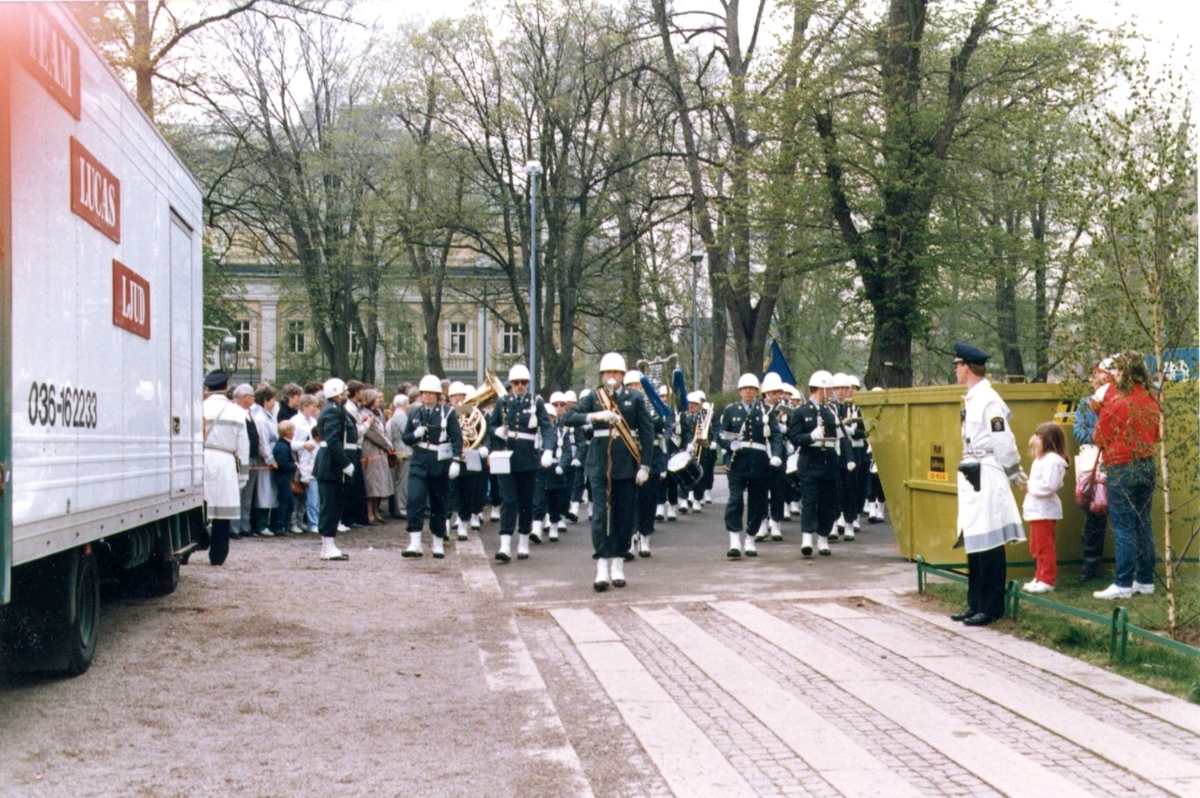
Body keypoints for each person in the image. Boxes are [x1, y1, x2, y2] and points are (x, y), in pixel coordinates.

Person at [950, 342, 1027, 627]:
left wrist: (1014, 470)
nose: (955, 370)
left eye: (957, 365)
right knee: (975, 539)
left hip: (987, 473)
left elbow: (1003, 440)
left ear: (966, 367)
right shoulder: (973, 398)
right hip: (973, 472)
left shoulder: (988, 400)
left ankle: (991, 606)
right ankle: (975, 602)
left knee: (990, 541)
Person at [563, 352, 654, 591]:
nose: (611, 376)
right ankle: (602, 566)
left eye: (615, 372)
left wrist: (645, 466)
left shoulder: (635, 398)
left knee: (624, 517)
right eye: (607, 373)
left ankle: (618, 564)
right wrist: (594, 416)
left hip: (626, 467)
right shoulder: (594, 397)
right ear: (602, 375)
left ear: (622, 375)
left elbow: (647, 433)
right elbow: (568, 417)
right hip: (599, 465)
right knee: (600, 517)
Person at [1091, 353, 1160, 600]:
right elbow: (1157, 433)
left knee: (1123, 527)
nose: (1116, 375)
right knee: (1144, 523)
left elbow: (1099, 437)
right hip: (1147, 463)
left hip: (1121, 465)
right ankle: (1145, 579)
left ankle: (1123, 583)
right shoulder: (1151, 399)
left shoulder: (1116, 403)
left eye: (1119, 371)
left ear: (1125, 373)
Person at [487, 364, 554, 561]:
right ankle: (505, 545)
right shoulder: (503, 402)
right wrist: (495, 431)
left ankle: (523, 541)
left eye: (523, 383)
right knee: (508, 500)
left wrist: (548, 449)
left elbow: (547, 428)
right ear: (511, 384)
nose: (519, 386)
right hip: (506, 457)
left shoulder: (536, 402)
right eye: (516, 383)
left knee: (526, 501)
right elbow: (490, 425)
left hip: (527, 459)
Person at [717, 373, 783, 559]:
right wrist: (729, 444)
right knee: (735, 500)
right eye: (745, 389)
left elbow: (776, 435)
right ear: (740, 391)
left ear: (756, 391)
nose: (748, 392)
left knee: (757, 502)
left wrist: (776, 455)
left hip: (759, 463)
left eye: (751, 389)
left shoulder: (766, 411)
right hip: (737, 461)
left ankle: (750, 539)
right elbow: (721, 434)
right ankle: (734, 540)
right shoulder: (731, 411)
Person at [402, 374, 463, 559]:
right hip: (419, 461)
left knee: (438, 503)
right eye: (424, 393)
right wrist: (415, 435)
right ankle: (415, 542)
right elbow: (406, 438)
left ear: (437, 395)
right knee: (415, 500)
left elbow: (457, 438)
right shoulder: (414, 412)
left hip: (439, 463)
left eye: (430, 393)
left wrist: (456, 460)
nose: (427, 396)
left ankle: (437, 541)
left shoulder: (448, 413)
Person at [787, 371, 844, 557]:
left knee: (828, 501)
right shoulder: (800, 412)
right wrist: (810, 437)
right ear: (821, 389)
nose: (831, 393)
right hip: (809, 461)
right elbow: (795, 437)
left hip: (828, 462)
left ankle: (823, 537)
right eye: (829, 390)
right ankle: (806, 537)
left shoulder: (830, 412)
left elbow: (839, 437)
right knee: (810, 500)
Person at [201, 371, 250, 565]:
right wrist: (243, 473)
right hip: (225, 460)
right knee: (223, 510)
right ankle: (218, 554)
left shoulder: (200, 407)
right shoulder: (236, 411)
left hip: (202, 457)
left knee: (200, 505)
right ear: (226, 387)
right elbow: (243, 444)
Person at [1073, 363, 1110, 581]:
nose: (1096, 380)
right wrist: (1099, 438)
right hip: (1093, 464)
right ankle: (1090, 566)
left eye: (1100, 375)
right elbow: (1078, 431)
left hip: (1113, 461)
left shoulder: (1115, 402)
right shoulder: (1085, 404)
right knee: (1093, 515)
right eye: (1094, 376)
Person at [1021, 422, 1069, 593]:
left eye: (1039, 436)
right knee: (1036, 546)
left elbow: (1050, 486)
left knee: (1044, 547)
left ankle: (1047, 579)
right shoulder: (1042, 459)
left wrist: (1029, 486)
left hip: (1044, 511)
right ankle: (1039, 576)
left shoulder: (1053, 461)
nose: (1035, 440)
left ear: (1048, 439)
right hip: (1036, 510)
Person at [313, 378, 355, 561]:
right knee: (330, 505)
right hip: (331, 464)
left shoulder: (335, 408)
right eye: (344, 391)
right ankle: (327, 546)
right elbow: (332, 440)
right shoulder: (332, 410)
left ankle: (329, 545)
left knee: (334, 504)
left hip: (332, 464)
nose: (347, 394)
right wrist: (345, 463)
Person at [360, 388, 393, 525]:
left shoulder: (377, 413)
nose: (379, 400)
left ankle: (376, 512)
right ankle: (369, 514)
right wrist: (388, 445)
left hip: (380, 450)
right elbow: (373, 434)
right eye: (376, 398)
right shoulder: (364, 414)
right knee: (372, 482)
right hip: (371, 450)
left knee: (378, 482)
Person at [250, 384, 280, 536]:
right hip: (265, 460)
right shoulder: (261, 419)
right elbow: (263, 443)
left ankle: (267, 522)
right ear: (266, 400)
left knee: (270, 490)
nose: (275, 402)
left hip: (273, 456)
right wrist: (270, 459)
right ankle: (261, 524)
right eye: (273, 399)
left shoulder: (270, 415)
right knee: (264, 491)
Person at [231, 383, 257, 538]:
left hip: (252, 457)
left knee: (248, 494)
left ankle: (244, 526)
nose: (254, 398)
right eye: (252, 396)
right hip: (241, 458)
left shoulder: (249, 413)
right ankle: (234, 528)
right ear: (245, 397)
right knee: (238, 493)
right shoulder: (235, 412)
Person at [293, 394, 321, 533]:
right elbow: (291, 443)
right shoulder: (295, 421)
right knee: (298, 494)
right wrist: (303, 445)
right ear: (304, 406)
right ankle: (294, 522)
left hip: (312, 461)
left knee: (307, 498)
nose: (315, 409)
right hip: (299, 460)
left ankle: (301, 520)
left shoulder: (313, 421)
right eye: (313, 407)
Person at [272, 420, 299, 537]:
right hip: (283, 477)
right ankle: (281, 526)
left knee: (289, 502)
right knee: (285, 502)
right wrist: (294, 466)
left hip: (285, 477)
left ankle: (284, 525)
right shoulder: (282, 447)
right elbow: (282, 465)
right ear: (288, 433)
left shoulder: (284, 445)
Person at [387, 393, 412, 520]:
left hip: (401, 450)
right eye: (407, 403)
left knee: (401, 481)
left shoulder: (397, 415)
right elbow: (407, 432)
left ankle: (400, 508)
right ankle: (401, 509)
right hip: (403, 451)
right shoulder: (400, 415)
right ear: (404, 404)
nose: (409, 406)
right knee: (403, 482)